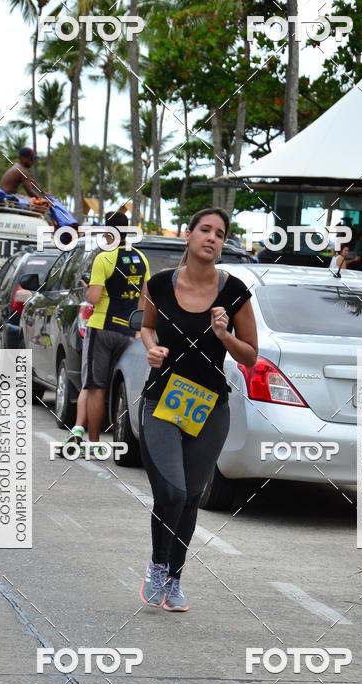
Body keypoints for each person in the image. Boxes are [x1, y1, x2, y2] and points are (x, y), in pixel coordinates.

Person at [139, 207, 258, 612]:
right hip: (162, 401)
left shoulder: (235, 292)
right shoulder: (158, 284)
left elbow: (250, 356)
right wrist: (151, 348)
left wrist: (224, 335)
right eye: (205, 230)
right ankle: (157, 565)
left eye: (219, 234)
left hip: (209, 407)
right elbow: (146, 326)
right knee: (170, 492)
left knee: (190, 497)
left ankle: (174, 577)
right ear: (188, 236)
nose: (212, 238)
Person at [73, 211, 150, 449]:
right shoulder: (141, 259)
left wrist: (88, 288)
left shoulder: (104, 258)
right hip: (128, 331)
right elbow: (145, 298)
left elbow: (94, 297)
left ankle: (94, 443)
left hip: (102, 328)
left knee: (96, 386)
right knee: (119, 386)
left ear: (108, 232)